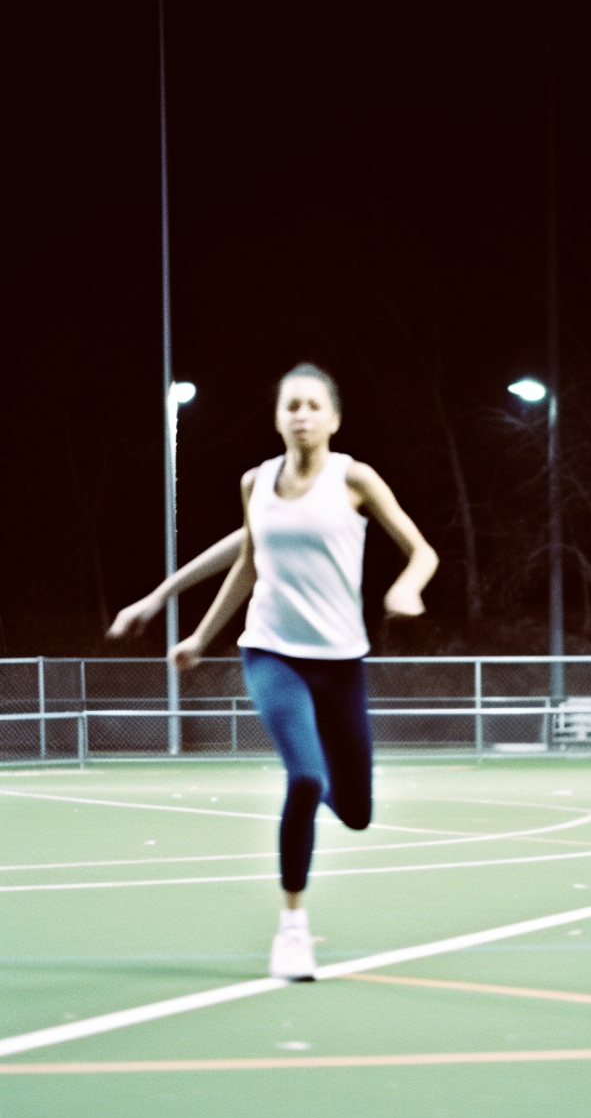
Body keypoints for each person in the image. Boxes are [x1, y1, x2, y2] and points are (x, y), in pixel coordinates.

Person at [108, 363, 438, 981]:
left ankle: (331, 787)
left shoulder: (355, 479)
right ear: (279, 417)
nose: (303, 415)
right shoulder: (256, 482)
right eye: (292, 405)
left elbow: (422, 550)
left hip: (340, 663)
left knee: (358, 811)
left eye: (315, 405)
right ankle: (292, 930)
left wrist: (408, 589)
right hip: (271, 652)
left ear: (334, 419)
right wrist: (193, 628)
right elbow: (246, 563)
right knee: (306, 779)